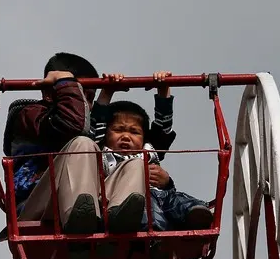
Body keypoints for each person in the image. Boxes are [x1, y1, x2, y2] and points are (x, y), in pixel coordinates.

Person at [4, 53, 148, 241]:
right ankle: (79, 217)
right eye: (83, 96)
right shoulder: (29, 115)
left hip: (85, 204)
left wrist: (107, 94)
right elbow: (73, 126)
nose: (87, 105)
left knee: (135, 163)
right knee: (82, 144)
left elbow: (89, 127)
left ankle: (118, 218)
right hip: (37, 206)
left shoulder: (81, 128)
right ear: (51, 93)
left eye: (90, 98)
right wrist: (65, 82)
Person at [90, 72, 214, 231]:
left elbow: (163, 126)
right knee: (148, 208)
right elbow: (96, 122)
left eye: (134, 132)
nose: (126, 136)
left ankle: (194, 214)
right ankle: (155, 235)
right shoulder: (101, 150)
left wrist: (163, 90)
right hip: (126, 201)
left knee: (177, 199)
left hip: (161, 195)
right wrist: (107, 92)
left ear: (144, 139)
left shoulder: (149, 149)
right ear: (106, 134)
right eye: (118, 130)